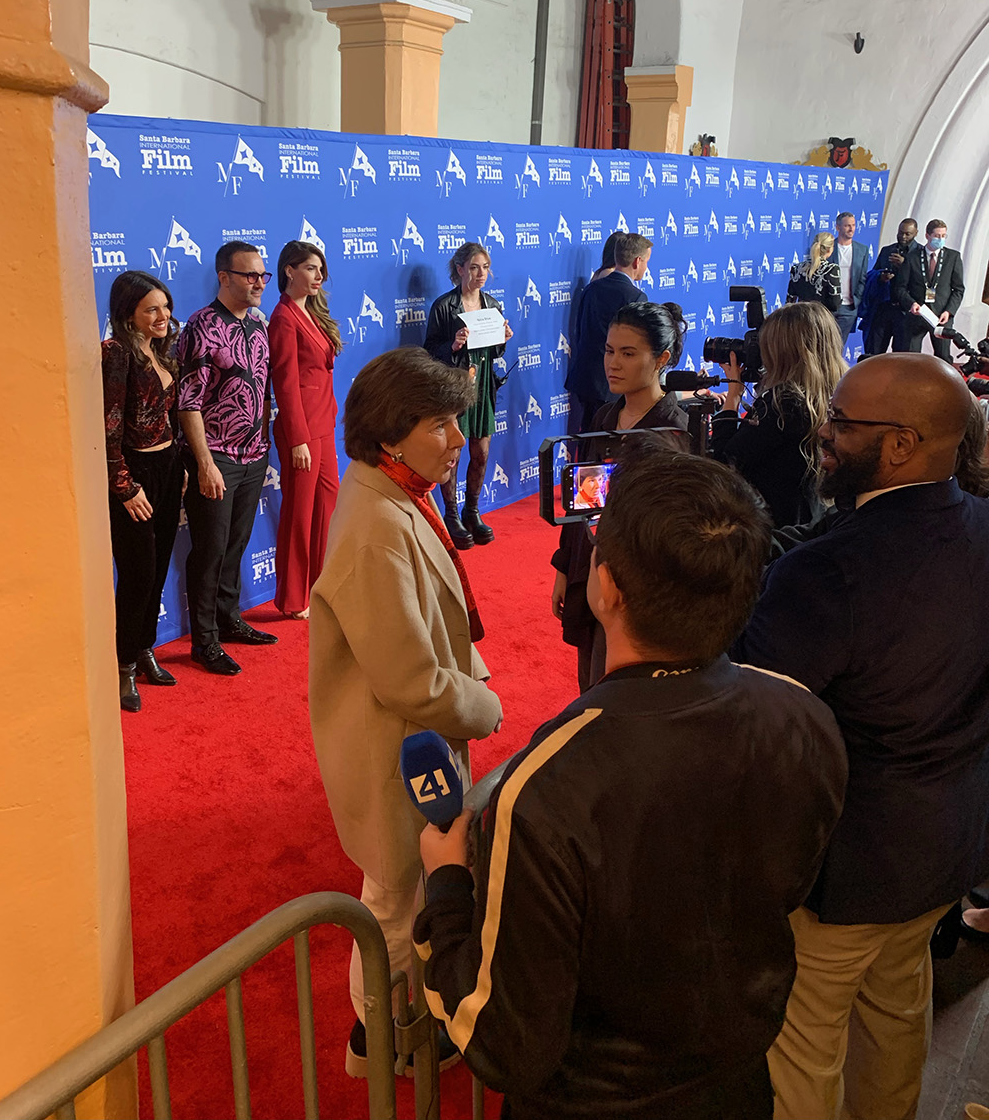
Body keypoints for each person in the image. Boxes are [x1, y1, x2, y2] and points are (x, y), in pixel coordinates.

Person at [414, 449, 848, 1120]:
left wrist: (446, 886)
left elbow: (504, 1042)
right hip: (737, 1085)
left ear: (606, 585)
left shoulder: (543, 785)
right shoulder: (803, 713)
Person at [733, 353, 989, 1120]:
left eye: (842, 421)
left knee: (804, 1040)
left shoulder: (828, 572)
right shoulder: (979, 524)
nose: (823, 432)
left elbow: (752, 712)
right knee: (897, 1007)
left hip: (845, 864)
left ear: (904, 443)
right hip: (947, 843)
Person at [308, 346, 503, 1076]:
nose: (460, 438)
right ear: (393, 432)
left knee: (402, 894)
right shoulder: (375, 521)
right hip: (396, 747)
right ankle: (374, 1042)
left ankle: (394, 1028)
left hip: (411, 744)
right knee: (390, 907)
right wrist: (483, 705)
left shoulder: (391, 493)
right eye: (444, 423)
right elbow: (409, 676)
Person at [552, 300, 689, 691]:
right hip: (591, 571)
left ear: (661, 358)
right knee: (589, 685)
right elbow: (582, 499)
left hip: (638, 592)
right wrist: (566, 565)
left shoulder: (674, 432)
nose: (613, 363)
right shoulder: (604, 418)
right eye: (610, 351)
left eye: (628, 354)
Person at [177, 241, 277, 675]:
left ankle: (228, 618)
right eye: (249, 275)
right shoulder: (201, 327)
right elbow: (188, 401)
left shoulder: (258, 322)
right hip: (216, 456)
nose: (259, 283)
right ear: (224, 277)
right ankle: (204, 641)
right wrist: (204, 463)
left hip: (255, 454)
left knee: (235, 544)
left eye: (262, 275)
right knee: (211, 548)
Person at [102, 271, 184, 712]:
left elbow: (171, 416)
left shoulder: (161, 350)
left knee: (158, 567)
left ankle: (144, 648)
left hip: (168, 468)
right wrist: (125, 486)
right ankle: (122, 667)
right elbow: (108, 427)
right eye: (151, 308)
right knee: (137, 574)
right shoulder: (115, 354)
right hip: (134, 476)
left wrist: (181, 466)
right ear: (128, 314)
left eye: (165, 306)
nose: (163, 315)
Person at [710, 301, 845, 528]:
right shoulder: (840, 392)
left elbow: (725, 464)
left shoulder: (783, 403)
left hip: (774, 530)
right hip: (813, 519)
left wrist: (733, 394)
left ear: (780, 352)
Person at [268, 241, 341, 620]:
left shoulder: (312, 311)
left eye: (320, 269)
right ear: (289, 270)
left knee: (328, 505)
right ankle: (293, 598)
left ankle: (321, 586)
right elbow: (285, 382)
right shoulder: (282, 318)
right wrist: (297, 438)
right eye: (311, 268)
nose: (319, 276)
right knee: (299, 512)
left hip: (324, 423)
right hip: (301, 430)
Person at [423, 242, 512, 549]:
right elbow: (429, 350)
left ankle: (471, 511)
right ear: (459, 269)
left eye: (485, 267)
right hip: (455, 388)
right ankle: (450, 514)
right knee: (453, 453)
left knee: (482, 452)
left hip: (484, 386)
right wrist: (453, 345)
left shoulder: (492, 304)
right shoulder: (444, 306)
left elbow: (495, 351)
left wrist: (504, 339)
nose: (481, 274)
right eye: (474, 267)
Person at [565, 232, 651, 433]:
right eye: (647, 261)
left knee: (586, 441)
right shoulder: (636, 296)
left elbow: (580, 332)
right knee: (606, 446)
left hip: (585, 380)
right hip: (612, 383)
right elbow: (635, 344)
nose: (647, 268)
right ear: (637, 261)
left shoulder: (591, 288)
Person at [896, 218, 966, 361]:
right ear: (927, 236)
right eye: (936, 236)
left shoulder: (953, 257)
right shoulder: (912, 257)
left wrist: (949, 311)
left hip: (941, 316)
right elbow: (900, 287)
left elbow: (958, 289)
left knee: (943, 357)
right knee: (910, 358)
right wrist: (911, 303)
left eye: (943, 236)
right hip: (917, 315)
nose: (940, 239)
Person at [858, 217, 920, 355]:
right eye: (900, 233)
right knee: (874, 351)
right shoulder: (887, 250)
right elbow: (873, 273)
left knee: (902, 356)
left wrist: (905, 265)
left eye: (907, 234)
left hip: (905, 312)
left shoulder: (920, 254)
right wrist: (881, 277)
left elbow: (921, 281)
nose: (903, 237)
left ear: (916, 233)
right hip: (883, 308)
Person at [830, 211, 870, 345]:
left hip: (849, 308)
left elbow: (862, 277)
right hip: (829, 306)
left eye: (853, 225)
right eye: (847, 225)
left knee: (839, 346)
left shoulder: (862, 250)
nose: (851, 228)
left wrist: (857, 298)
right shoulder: (828, 248)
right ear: (838, 227)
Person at [786, 231, 840, 312]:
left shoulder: (796, 269)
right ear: (829, 250)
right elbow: (834, 304)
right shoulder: (832, 270)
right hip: (821, 319)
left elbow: (789, 302)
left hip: (800, 318)